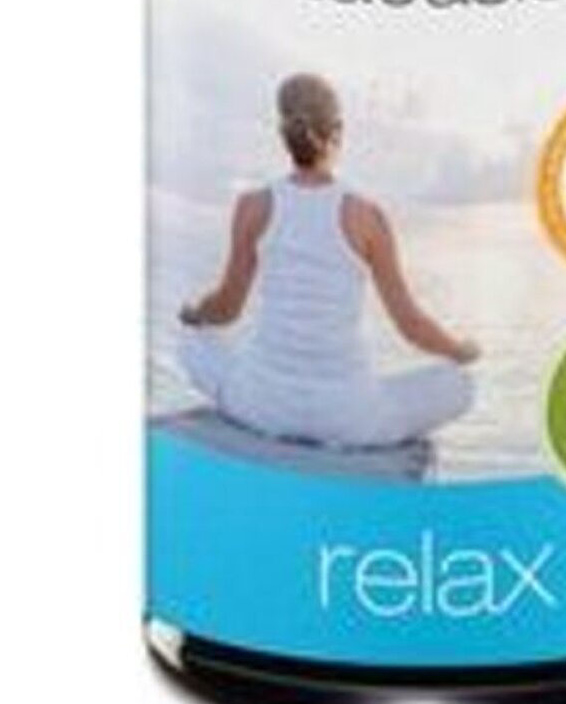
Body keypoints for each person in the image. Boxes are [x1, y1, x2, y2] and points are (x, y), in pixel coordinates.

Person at [178, 73, 479, 448]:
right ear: (339, 130)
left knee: (190, 342)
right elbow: (410, 324)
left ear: (282, 132)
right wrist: (459, 349)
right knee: (461, 384)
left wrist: (195, 314)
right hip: (348, 417)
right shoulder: (366, 215)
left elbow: (226, 308)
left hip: (263, 404)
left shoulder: (252, 206)